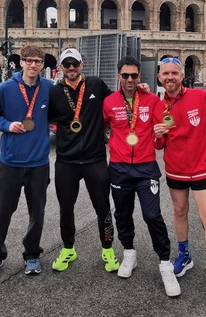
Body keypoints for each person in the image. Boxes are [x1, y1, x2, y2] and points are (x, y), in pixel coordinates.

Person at [152, 57, 206, 308]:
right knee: (179, 211)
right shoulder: (157, 106)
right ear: (159, 77)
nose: (170, 77)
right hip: (176, 170)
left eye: (174, 72)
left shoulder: (200, 96)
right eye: (165, 73)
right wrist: (158, 137)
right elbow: (159, 145)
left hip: (203, 167)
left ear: (182, 75)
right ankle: (184, 255)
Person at [102, 56, 180, 297]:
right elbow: (100, 128)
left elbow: (162, 137)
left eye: (134, 76)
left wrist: (158, 135)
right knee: (122, 214)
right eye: (125, 75)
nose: (129, 80)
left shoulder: (152, 101)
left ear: (140, 77)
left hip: (146, 169)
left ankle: (165, 264)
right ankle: (129, 254)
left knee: (152, 215)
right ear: (119, 76)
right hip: (119, 168)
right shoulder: (108, 102)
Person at [0, 45, 53, 278]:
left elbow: (71, 105)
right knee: (2, 212)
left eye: (38, 62)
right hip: (10, 163)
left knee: (37, 212)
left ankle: (32, 254)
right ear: (21, 63)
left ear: (43, 65)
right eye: (29, 61)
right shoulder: (6, 88)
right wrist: (7, 125)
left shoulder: (50, 88)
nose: (34, 65)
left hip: (38, 163)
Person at [47, 47, 119, 273]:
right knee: (65, 208)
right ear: (60, 67)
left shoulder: (96, 85)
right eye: (66, 64)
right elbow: (45, 119)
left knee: (103, 207)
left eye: (74, 64)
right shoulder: (55, 92)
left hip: (94, 159)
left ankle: (107, 248)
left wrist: (141, 90)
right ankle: (68, 248)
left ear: (81, 65)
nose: (71, 68)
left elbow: (117, 102)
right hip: (66, 161)